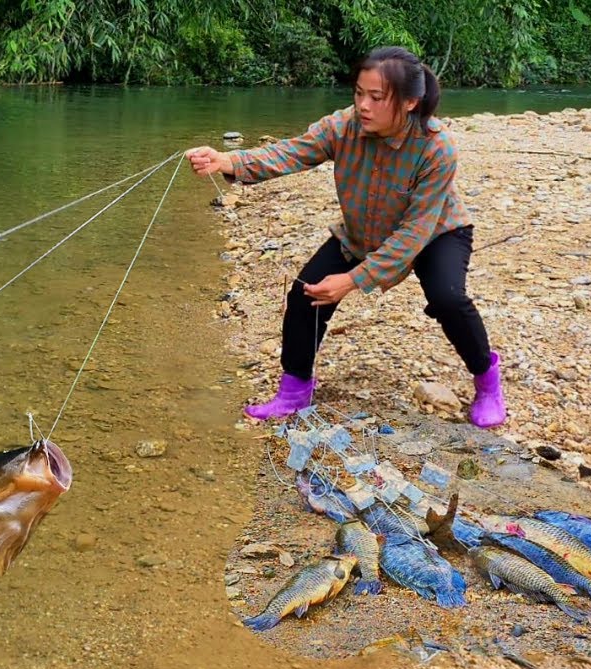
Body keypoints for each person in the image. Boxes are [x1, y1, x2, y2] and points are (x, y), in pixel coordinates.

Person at [185, 46, 505, 429]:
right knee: (305, 294)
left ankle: (487, 379)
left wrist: (352, 281)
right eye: (358, 93)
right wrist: (228, 161)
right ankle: (294, 389)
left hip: (436, 232)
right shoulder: (342, 127)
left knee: (447, 297)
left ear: (409, 102)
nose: (363, 105)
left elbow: (413, 233)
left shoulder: (436, 149)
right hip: (364, 229)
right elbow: (292, 153)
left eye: (376, 97)